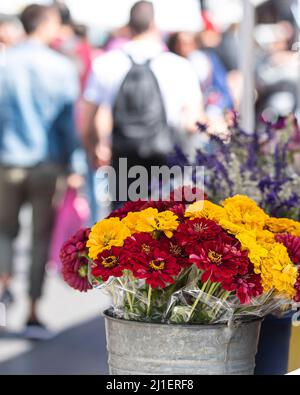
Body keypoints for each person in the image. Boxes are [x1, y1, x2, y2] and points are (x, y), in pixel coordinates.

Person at [0, 4, 79, 339]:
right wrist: (73, 166)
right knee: (39, 238)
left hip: (7, 160)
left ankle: (2, 297)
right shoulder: (60, 66)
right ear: (46, 24)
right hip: (46, 163)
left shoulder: (5, 61)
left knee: (4, 231)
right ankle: (32, 312)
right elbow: (67, 124)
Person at [82, 1, 203, 207]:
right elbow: (194, 122)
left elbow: (86, 122)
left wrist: (94, 149)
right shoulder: (179, 66)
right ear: (155, 25)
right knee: (166, 226)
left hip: (123, 161)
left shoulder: (105, 64)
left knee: (122, 226)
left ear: (128, 26)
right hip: (166, 160)